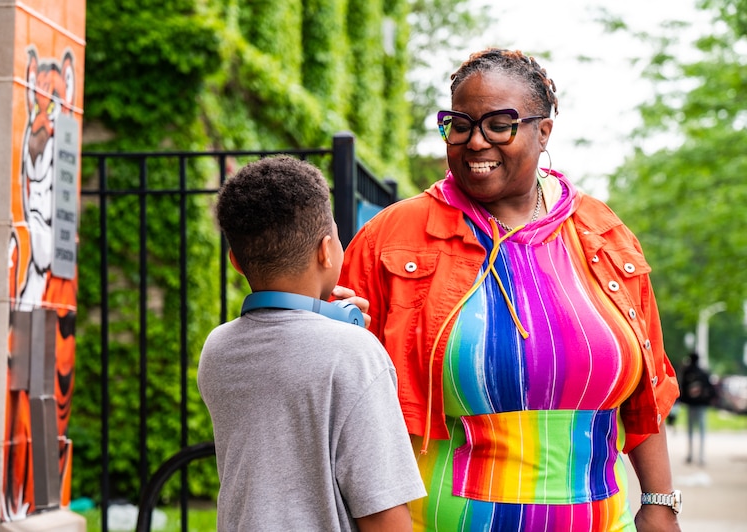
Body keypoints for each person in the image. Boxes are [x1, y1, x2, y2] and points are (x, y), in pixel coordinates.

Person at [339, 49, 681, 531]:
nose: (475, 142)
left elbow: (650, 388)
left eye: (499, 124)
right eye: (459, 124)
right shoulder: (393, 237)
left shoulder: (605, 234)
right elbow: (344, 396)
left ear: (544, 132)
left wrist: (660, 501)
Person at [197, 156, 426, 531]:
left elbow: (285, 363)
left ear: (235, 261)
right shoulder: (354, 353)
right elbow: (383, 513)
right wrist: (347, 337)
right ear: (326, 250)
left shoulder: (217, 349)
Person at [679, 351, 716, 465]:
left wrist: (683, 400)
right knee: (702, 430)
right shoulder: (703, 373)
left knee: (690, 430)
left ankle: (690, 455)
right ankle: (701, 456)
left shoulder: (687, 372)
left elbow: (683, 389)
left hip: (691, 405)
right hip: (701, 405)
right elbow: (710, 389)